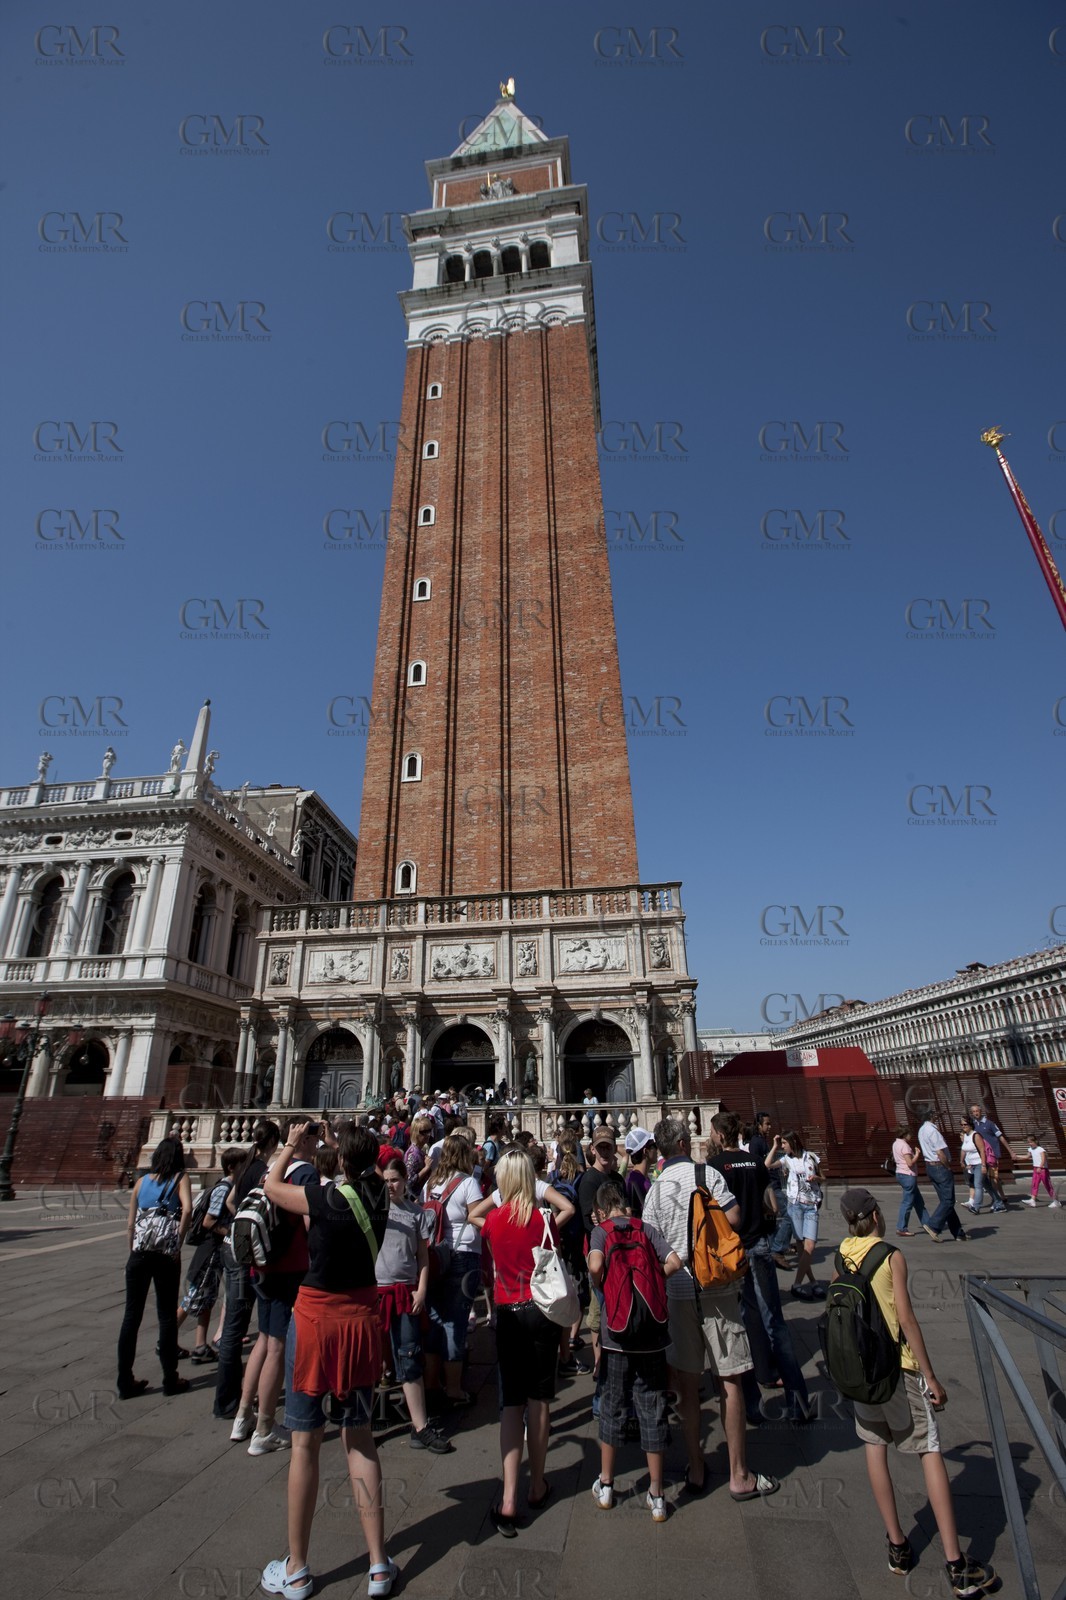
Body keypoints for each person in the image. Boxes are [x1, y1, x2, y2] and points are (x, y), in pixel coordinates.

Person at [834, 1188, 997, 1597]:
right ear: (874, 1216)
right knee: (929, 1452)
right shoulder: (891, 1256)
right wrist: (931, 1375)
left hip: (861, 1371)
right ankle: (957, 1565)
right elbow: (906, 1319)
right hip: (898, 1371)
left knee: (875, 1449)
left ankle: (898, 1547)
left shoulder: (842, 1252)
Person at [261, 1121, 398, 1600]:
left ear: (340, 1161)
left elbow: (272, 1187)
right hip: (363, 1322)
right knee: (360, 1441)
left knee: (305, 1443)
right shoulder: (380, 1198)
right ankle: (379, 1564)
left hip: (317, 1322)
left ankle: (297, 1568)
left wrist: (291, 1147)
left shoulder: (328, 1199)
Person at [642, 1116, 779, 1500]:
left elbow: (651, 1246)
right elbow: (733, 1218)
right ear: (686, 1143)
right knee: (730, 1380)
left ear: (661, 1151)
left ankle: (697, 1467)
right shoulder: (707, 1177)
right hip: (716, 1288)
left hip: (678, 1292)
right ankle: (739, 1474)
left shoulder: (654, 1191)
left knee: (687, 1386)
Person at [476, 1148, 575, 1535]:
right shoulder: (543, 1219)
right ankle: (538, 1485)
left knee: (511, 1405)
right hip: (542, 1312)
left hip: (508, 1314)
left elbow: (476, 1218)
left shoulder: (494, 1221)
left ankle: (509, 1498)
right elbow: (567, 1209)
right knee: (540, 1400)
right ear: (530, 1180)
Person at [708, 1111, 811, 1426]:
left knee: (738, 1326)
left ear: (719, 1135)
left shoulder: (714, 1168)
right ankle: (799, 1403)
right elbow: (773, 1204)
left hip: (733, 1253)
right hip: (761, 1247)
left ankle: (751, 1405)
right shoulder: (754, 1163)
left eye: (712, 1132)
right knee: (775, 1324)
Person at [587, 1177, 682, 1519]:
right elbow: (675, 1262)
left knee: (613, 1405)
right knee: (653, 1407)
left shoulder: (602, 1232)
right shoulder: (645, 1228)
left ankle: (608, 1484)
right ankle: (657, 1494)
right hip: (652, 1334)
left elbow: (596, 1265)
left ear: (600, 1210)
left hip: (618, 1336)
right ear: (626, 1204)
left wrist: (606, 1286)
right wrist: (652, 1279)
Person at [234, 1122, 319, 1455]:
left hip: (262, 1265)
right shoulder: (306, 1174)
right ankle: (265, 1428)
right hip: (290, 1268)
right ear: (306, 1140)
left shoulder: (269, 1170)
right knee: (278, 1347)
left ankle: (243, 1415)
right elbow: (312, 1225)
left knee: (264, 1339)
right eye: (315, 1139)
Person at [375, 1158, 453, 1452]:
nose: (390, 1186)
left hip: (406, 1293)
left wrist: (421, 1290)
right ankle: (367, 1421)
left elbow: (422, 1256)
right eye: (385, 1181)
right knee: (374, 1361)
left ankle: (420, 1426)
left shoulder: (415, 1214)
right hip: (376, 1293)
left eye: (394, 1180)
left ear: (406, 1180)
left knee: (409, 1355)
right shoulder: (374, 1212)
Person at [214, 1119, 281, 1421]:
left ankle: (238, 1394)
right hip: (244, 1256)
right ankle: (227, 1400)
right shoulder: (262, 1172)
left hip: (232, 1246)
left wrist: (239, 1224)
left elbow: (230, 1201)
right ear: (274, 1142)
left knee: (235, 1321)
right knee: (237, 1327)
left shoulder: (243, 1170)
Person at [117, 1136, 193, 1399]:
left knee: (131, 1317)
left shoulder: (140, 1182)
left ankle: (124, 1381)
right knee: (166, 1317)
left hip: (139, 1254)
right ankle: (170, 1379)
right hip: (165, 1255)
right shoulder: (180, 1179)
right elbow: (188, 1210)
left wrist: (133, 1248)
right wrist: (177, 1243)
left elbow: (130, 1222)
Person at [423, 1135, 484, 1409]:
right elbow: (476, 1217)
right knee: (456, 1321)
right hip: (463, 1255)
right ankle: (455, 1389)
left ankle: (432, 1383)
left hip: (436, 1255)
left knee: (435, 1318)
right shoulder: (469, 1183)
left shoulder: (431, 1183)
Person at [176, 1146, 244, 1362]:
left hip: (215, 1254)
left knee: (207, 1298)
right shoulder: (223, 1189)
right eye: (243, 1165)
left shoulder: (230, 1187)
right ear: (232, 1167)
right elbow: (208, 1221)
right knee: (192, 1299)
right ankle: (164, 1339)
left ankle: (200, 1346)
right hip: (209, 1251)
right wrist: (232, 1234)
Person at [766, 1130, 825, 1297]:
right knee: (802, 1247)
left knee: (810, 1246)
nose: (783, 1146)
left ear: (793, 1142)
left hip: (811, 1205)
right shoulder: (786, 1160)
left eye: (784, 1143)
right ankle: (812, 1282)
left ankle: (798, 1283)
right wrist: (774, 1146)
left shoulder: (811, 1157)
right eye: (782, 1143)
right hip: (795, 1206)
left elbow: (823, 1177)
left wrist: (816, 1178)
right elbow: (767, 1165)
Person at [748, 1112, 795, 1269]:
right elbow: (758, 1165)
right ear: (759, 1125)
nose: (769, 1127)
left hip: (772, 1183)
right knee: (790, 1215)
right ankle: (778, 1249)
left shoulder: (762, 1141)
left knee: (774, 1220)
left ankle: (777, 1246)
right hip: (769, 1186)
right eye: (767, 1124)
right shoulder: (756, 1142)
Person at [917, 1111, 967, 1243]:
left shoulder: (922, 1130)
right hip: (939, 1166)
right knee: (948, 1200)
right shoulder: (933, 1131)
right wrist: (948, 1167)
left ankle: (958, 1232)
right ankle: (933, 1225)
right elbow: (940, 1152)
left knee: (946, 1201)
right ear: (931, 1116)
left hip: (930, 1166)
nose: (938, 1118)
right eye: (936, 1116)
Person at [968, 1104, 1014, 1212]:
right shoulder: (974, 1125)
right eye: (973, 1112)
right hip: (980, 1156)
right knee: (987, 1179)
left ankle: (997, 1201)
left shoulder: (989, 1124)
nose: (975, 1113)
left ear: (981, 1111)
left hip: (992, 1155)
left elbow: (1000, 1137)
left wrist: (1010, 1151)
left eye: (977, 1111)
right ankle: (1001, 1197)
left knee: (993, 1178)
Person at [892, 1123, 930, 1235]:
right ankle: (902, 1227)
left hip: (900, 1173)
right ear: (905, 1134)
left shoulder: (895, 1143)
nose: (911, 1136)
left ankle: (928, 1224)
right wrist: (917, 1154)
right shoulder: (905, 1146)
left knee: (918, 1201)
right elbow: (910, 1163)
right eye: (910, 1134)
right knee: (907, 1202)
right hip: (908, 1175)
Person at [623, 1127, 655, 1218]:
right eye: (654, 1146)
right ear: (646, 1151)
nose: (657, 1150)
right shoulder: (641, 1182)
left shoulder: (634, 1177)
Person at [959, 1118, 988, 1215]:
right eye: (962, 1125)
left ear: (970, 1125)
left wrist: (984, 1165)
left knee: (977, 1185)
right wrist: (961, 1161)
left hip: (979, 1163)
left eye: (965, 1124)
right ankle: (999, 1201)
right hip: (971, 1165)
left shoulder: (975, 1135)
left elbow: (982, 1150)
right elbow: (963, 1149)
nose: (963, 1126)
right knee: (988, 1186)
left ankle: (976, 1207)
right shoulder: (966, 1136)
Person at [1022, 1133, 1057, 1206]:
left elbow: (1043, 1159)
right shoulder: (1030, 1149)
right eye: (1028, 1142)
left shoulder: (1040, 1149)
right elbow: (1027, 1156)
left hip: (1043, 1169)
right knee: (1034, 1184)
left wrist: (1040, 1167)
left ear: (1035, 1141)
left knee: (1047, 1185)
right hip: (1035, 1168)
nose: (1030, 1144)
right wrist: (1017, 1157)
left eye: (1031, 1142)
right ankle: (1032, 1200)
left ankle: (1055, 1201)